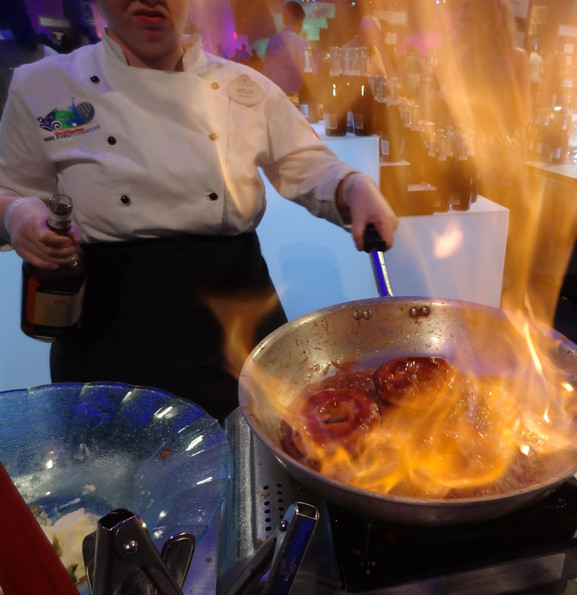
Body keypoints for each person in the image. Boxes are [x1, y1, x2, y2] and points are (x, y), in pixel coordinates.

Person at [0, 0, 397, 422]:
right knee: (115, 454)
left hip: (237, 315)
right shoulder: (42, 85)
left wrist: (353, 186)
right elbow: (9, 188)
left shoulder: (245, 87)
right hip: (108, 323)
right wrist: (17, 214)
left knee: (255, 443)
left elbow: (308, 166)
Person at [434, 0, 530, 312]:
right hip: (506, 157)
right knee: (502, 232)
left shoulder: (460, 56)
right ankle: (497, 300)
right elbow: (524, 113)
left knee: (472, 224)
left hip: (470, 153)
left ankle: (468, 295)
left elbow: (446, 107)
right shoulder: (518, 58)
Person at [262, 0, 307, 97]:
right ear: (300, 21)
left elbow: (267, 72)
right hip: (294, 99)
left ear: (283, 19)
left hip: (273, 96)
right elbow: (308, 75)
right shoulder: (301, 44)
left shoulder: (272, 41)